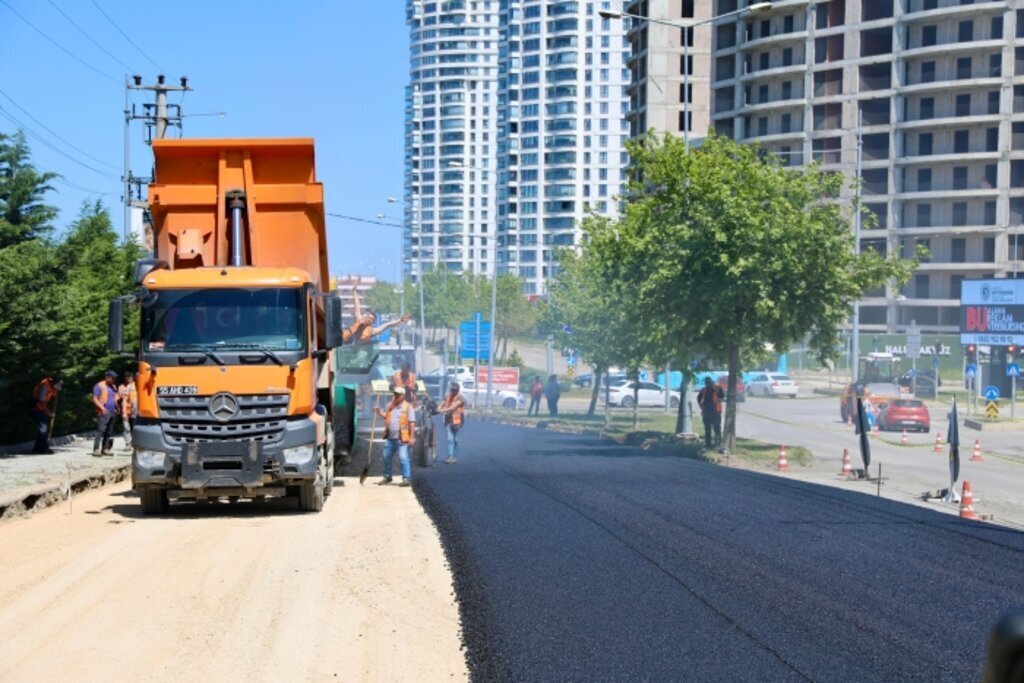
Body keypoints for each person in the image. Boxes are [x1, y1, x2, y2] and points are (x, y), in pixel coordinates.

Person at [374, 386, 416, 487]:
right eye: (394, 394)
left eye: (398, 394)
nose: (395, 396)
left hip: (402, 439)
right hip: (390, 438)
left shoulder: (407, 407)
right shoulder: (390, 406)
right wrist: (379, 412)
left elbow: (412, 423)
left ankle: (406, 478)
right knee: (386, 457)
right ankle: (387, 476)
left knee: (403, 458)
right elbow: (387, 417)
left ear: (403, 396)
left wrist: (412, 437)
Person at [28, 375, 62, 454]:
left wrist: (56, 391)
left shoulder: (52, 385)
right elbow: (42, 402)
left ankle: (37, 449)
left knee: (42, 428)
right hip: (34, 408)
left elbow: (54, 393)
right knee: (43, 428)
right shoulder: (44, 386)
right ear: (52, 382)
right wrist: (49, 413)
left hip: (40, 409)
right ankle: (43, 449)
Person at [92, 370, 119, 457]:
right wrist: (102, 408)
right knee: (101, 430)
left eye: (115, 378)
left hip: (113, 412)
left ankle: (105, 449)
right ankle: (96, 449)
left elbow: (115, 398)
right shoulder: (99, 386)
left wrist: (117, 408)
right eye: (113, 378)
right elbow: (95, 399)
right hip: (104, 412)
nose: (114, 379)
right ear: (107, 377)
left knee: (109, 431)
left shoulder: (114, 386)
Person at [438, 382, 466, 464]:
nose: (454, 392)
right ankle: (450, 456)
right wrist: (438, 407)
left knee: (456, 439)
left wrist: (441, 410)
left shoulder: (461, 398)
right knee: (450, 439)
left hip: (457, 421)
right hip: (448, 420)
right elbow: (442, 403)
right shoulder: (447, 396)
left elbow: (453, 407)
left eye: (455, 391)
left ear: (458, 390)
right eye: (453, 390)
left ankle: (455, 456)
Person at [697, 376, 724, 448]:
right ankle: (708, 443)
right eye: (706, 383)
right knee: (707, 428)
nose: (708, 384)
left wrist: (714, 388)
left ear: (712, 382)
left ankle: (718, 443)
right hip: (706, 412)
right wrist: (701, 407)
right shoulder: (703, 390)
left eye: (709, 382)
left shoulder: (717, 388)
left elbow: (721, 396)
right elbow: (699, 399)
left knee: (717, 428)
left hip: (716, 412)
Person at [118, 372, 137, 451]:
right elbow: (123, 399)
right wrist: (124, 412)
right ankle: (128, 444)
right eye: (127, 377)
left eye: (130, 377)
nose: (128, 378)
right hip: (127, 410)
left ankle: (136, 444)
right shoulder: (124, 387)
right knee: (126, 428)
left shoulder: (139, 385)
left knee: (135, 428)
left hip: (136, 411)